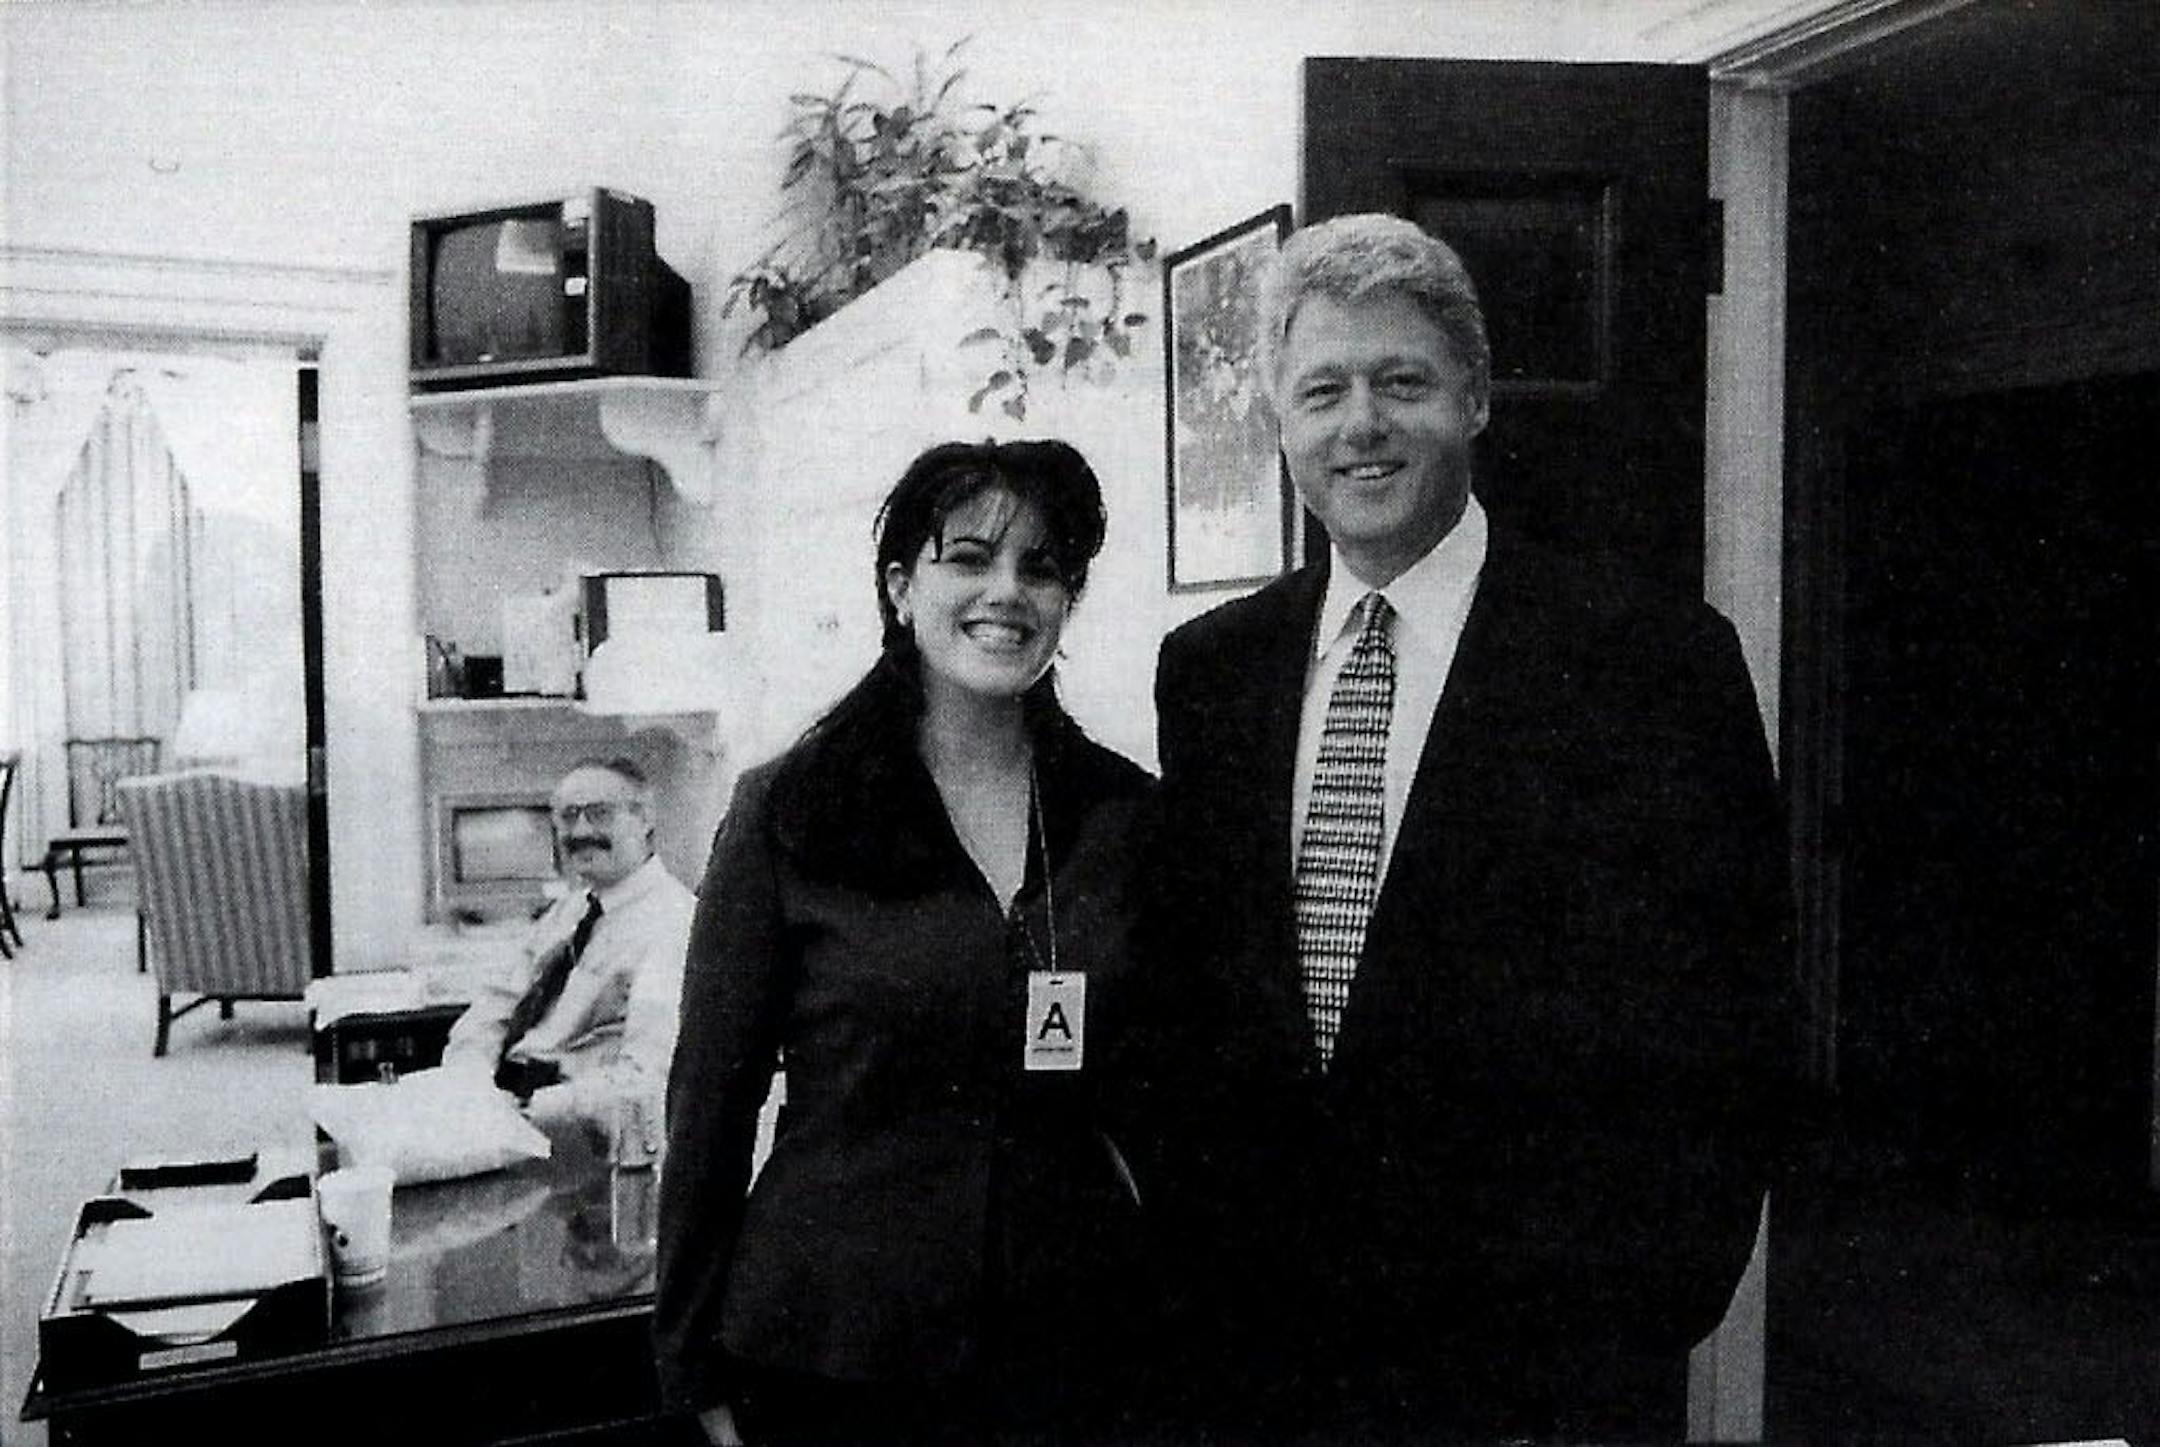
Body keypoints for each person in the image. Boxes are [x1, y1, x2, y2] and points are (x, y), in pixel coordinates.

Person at [1148, 213, 1795, 1440]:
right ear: (1279, 421)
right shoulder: (1212, 672)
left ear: (1479, 397)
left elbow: (1734, 1015)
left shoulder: (1650, 660)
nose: (1363, 426)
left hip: (1544, 1376)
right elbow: (1203, 1015)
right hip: (1272, 1371)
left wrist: (1630, 1327)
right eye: (1322, 390)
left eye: (1405, 381)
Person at [654, 440, 1159, 1447]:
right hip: (834, 1350)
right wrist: (689, 1357)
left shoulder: (1125, 815)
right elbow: (710, 1099)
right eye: (968, 558)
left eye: (1042, 566)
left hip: (1071, 1352)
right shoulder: (790, 808)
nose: (1006, 592)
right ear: (900, 586)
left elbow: (1162, 1096)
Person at [440, 756, 694, 1127]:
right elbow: (494, 1006)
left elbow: (647, 1076)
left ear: (645, 819)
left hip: (572, 1122)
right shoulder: (570, 910)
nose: (579, 831)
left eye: (599, 814)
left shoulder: (674, 923)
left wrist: (527, 1110)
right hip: (500, 1107)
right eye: (568, 816)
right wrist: (469, 1079)